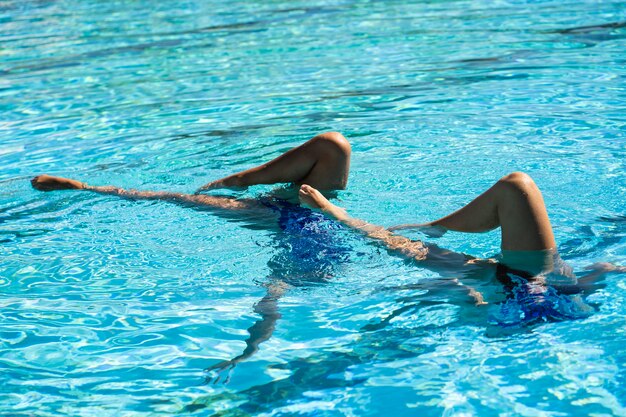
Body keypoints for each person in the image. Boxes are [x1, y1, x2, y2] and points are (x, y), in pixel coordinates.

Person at [31, 131, 621, 381]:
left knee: (224, 215)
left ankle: (235, 178)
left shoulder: (483, 278)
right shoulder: (518, 281)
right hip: (533, 280)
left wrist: (245, 355)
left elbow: (270, 305)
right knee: (334, 149)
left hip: (300, 224)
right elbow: (403, 248)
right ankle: (243, 178)